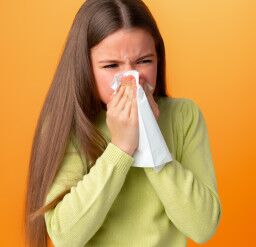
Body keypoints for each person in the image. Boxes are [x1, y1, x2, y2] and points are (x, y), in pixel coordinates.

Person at [25, 0, 222, 246]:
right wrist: (120, 149)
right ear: (85, 67)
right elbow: (65, 237)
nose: (132, 77)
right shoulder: (70, 125)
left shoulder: (184, 116)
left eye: (144, 61)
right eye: (111, 65)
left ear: (158, 58)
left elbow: (202, 227)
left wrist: (149, 139)